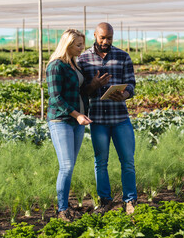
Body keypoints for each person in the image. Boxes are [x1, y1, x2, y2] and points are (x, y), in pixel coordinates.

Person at [46, 29, 110, 222]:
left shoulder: (75, 65)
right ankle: (62, 209)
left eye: (82, 44)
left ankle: (65, 206)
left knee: (70, 165)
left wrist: (96, 84)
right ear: (68, 45)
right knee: (65, 166)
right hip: (61, 121)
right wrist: (77, 115)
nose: (82, 48)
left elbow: (81, 92)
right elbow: (55, 98)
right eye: (78, 45)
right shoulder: (56, 66)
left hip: (77, 121)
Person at [78, 22, 137, 215]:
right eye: (102, 37)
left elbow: (131, 84)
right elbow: (83, 91)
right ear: (94, 35)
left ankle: (130, 200)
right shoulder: (83, 59)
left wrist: (125, 94)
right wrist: (93, 85)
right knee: (100, 162)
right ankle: (105, 201)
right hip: (98, 120)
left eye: (109, 38)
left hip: (120, 118)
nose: (106, 41)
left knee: (127, 161)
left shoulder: (122, 56)